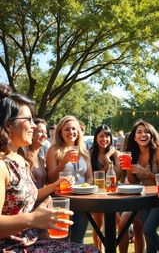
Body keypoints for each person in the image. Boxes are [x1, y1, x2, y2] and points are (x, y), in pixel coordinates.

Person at [0, 84, 98, 252]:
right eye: (28, 120)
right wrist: (32, 219)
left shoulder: (20, 160)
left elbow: (24, 195)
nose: (33, 126)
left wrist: (55, 186)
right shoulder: (2, 165)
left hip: (30, 242)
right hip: (12, 247)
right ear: (8, 126)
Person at [119, 120, 159, 253]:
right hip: (145, 199)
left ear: (152, 135)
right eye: (139, 132)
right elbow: (135, 184)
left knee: (148, 230)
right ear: (134, 137)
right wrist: (128, 170)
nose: (143, 135)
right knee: (147, 235)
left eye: (146, 132)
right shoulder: (133, 155)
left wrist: (146, 172)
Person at [46, 115, 93, 244]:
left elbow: (89, 176)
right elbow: (50, 179)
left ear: (78, 131)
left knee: (78, 240)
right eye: (67, 129)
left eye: (74, 129)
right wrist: (62, 164)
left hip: (82, 201)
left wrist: (84, 188)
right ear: (60, 132)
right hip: (62, 201)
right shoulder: (53, 150)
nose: (71, 132)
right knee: (61, 241)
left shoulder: (84, 149)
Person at [90, 125, 121, 252]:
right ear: (96, 138)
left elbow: (118, 175)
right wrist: (107, 163)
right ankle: (100, 250)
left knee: (119, 223)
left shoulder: (116, 154)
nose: (104, 139)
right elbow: (92, 177)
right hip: (97, 193)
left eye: (107, 136)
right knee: (98, 225)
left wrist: (109, 158)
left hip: (112, 192)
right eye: (101, 136)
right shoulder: (90, 154)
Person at [23, 118, 49, 238]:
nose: (44, 135)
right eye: (40, 131)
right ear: (31, 133)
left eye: (45, 132)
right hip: (29, 213)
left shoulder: (41, 158)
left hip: (42, 210)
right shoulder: (23, 158)